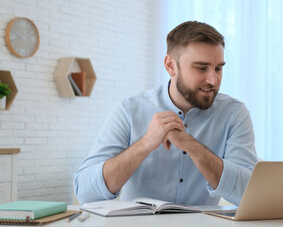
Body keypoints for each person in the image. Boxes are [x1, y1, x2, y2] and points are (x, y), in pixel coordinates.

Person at [74, 21, 258, 205]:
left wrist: (191, 146)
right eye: (201, 68)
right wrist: (146, 143)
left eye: (218, 68)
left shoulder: (234, 114)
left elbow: (249, 195)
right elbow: (86, 193)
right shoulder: (129, 110)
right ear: (170, 66)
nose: (213, 79)